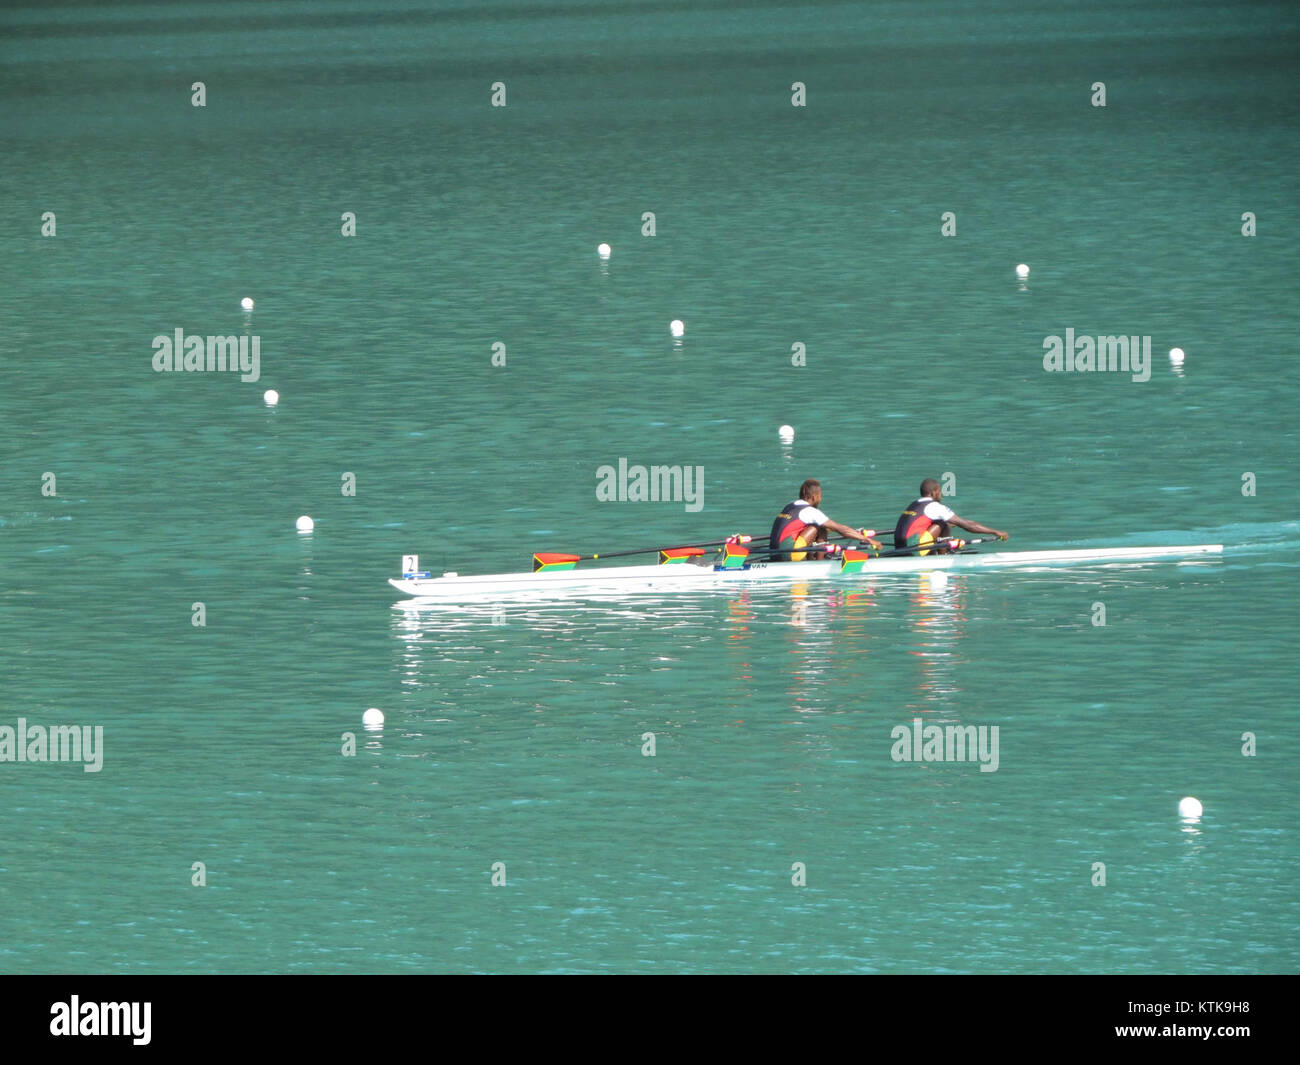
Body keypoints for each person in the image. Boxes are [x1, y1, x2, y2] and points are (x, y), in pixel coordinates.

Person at [770, 480, 880, 561]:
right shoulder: (810, 511)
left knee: (820, 526)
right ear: (813, 497)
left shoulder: (790, 506)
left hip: (773, 553)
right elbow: (842, 530)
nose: (820, 499)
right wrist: (867, 540)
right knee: (820, 527)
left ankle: (810, 559)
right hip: (789, 555)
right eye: (820, 496)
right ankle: (819, 562)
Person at [893, 478, 1008, 554]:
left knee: (944, 523)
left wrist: (952, 524)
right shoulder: (934, 506)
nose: (941, 494)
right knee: (942, 524)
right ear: (934, 492)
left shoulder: (914, 504)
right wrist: (995, 532)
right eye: (940, 491)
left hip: (899, 548)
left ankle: (933, 554)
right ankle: (944, 555)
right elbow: (967, 525)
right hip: (914, 549)